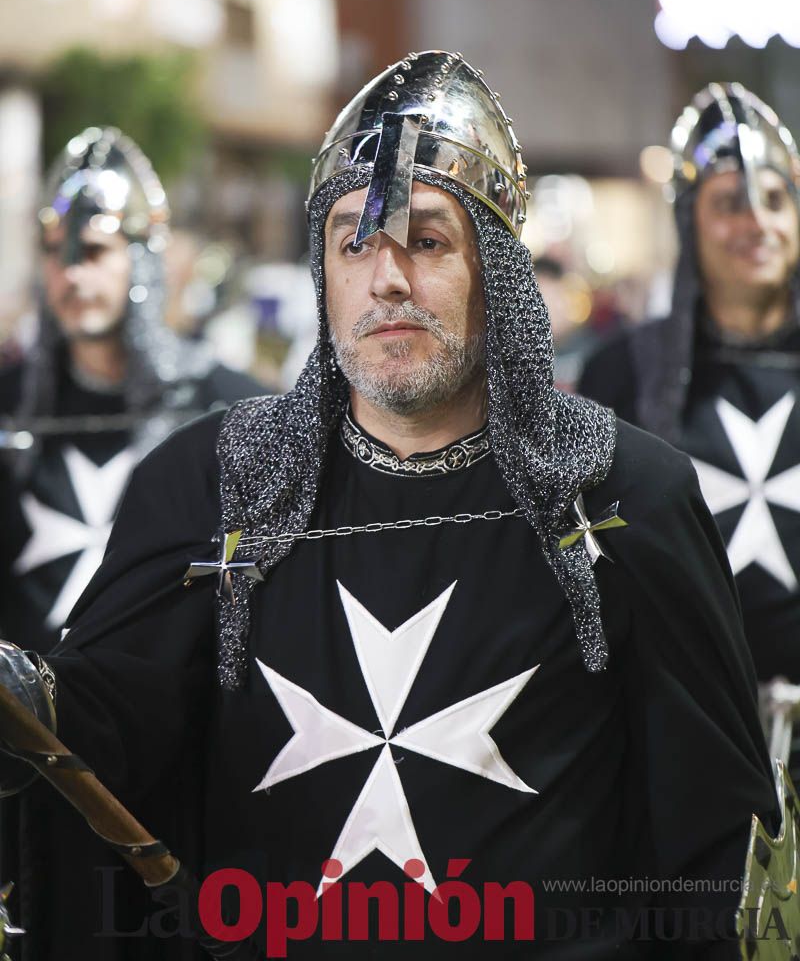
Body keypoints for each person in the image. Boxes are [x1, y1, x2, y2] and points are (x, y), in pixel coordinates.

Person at [0, 57, 780, 958]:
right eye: (353, 243)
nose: (387, 279)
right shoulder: (216, 483)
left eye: (428, 240)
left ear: (498, 273)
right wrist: (35, 702)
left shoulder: (621, 493)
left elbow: (716, 839)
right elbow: (111, 732)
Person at [579, 83, 800, 769]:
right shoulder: (623, 374)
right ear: (689, 221)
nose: (757, 224)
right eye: (729, 203)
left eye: (775, 199)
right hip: (686, 729)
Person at [0, 126, 265, 655]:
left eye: (94, 250)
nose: (71, 274)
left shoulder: (228, 407)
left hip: (159, 716)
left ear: (142, 259)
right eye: (56, 251)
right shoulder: (9, 405)